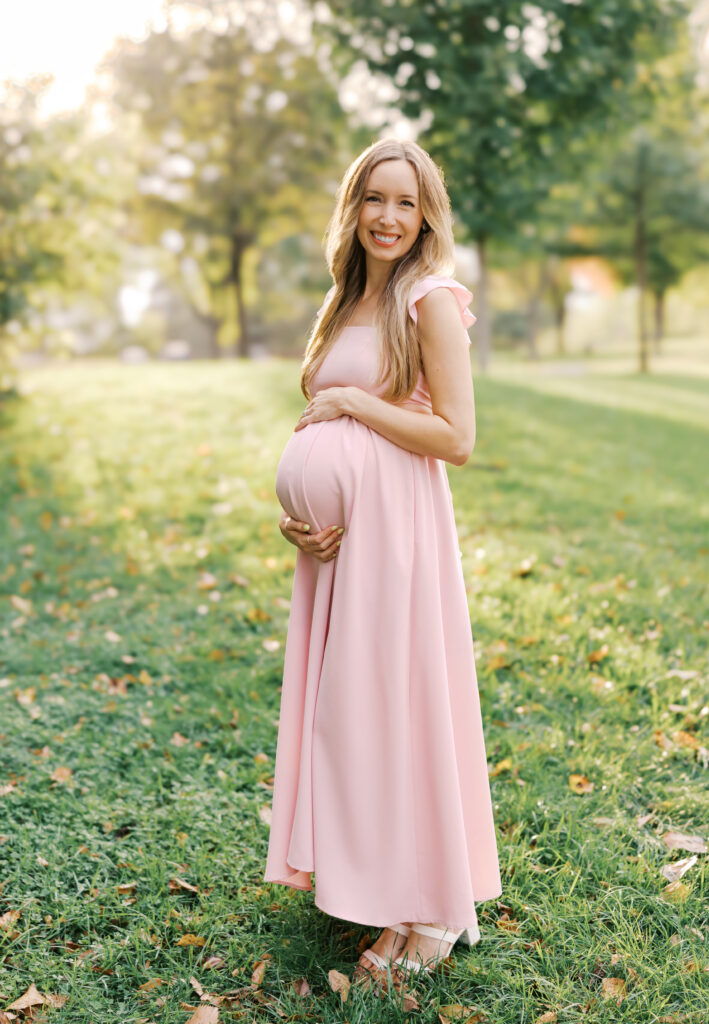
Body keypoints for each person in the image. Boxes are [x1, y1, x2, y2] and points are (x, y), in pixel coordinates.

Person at [263, 138, 502, 986]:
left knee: (400, 709)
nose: (389, 218)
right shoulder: (345, 297)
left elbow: (458, 439)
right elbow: (318, 426)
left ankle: (432, 913)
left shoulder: (431, 299)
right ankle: (383, 888)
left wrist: (357, 402)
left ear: (426, 214)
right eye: (375, 199)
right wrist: (302, 520)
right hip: (337, 552)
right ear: (353, 207)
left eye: (406, 202)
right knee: (351, 718)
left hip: (400, 535)